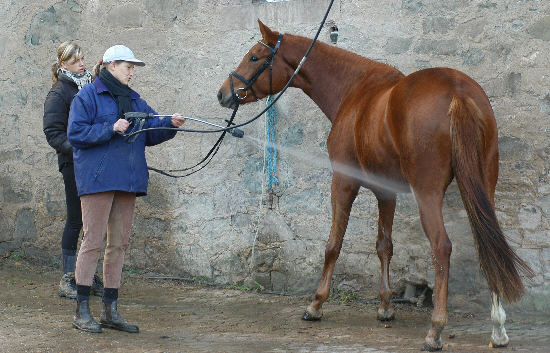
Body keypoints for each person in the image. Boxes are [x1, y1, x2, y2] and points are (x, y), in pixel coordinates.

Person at [67, 45, 186, 333]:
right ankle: (81, 311)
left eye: (133, 67)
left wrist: (171, 123)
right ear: (110, 65)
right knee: (92, 242)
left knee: (118, 246)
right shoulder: (87, 97)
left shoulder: (135, 100)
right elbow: (76, 134)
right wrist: (110, 128)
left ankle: (110, 310)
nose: (132, 72)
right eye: (127, 66)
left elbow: (152, 130)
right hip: (97, 181)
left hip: (128, 181)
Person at [43, 41, 104, 299]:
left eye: (82, 58)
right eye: (75, 60)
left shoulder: (88, 85)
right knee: (75, 219)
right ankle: (69, 278)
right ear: (64, 64)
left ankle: (86, 275)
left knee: (94, 219)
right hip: (73, 163)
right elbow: (53, 133)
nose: (82, 63)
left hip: (92, 162)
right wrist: (78, 148)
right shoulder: (59, 93)